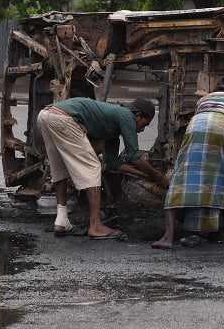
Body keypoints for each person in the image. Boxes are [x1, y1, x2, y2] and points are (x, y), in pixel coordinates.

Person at [37, 97, 162, 240]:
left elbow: (113, 163)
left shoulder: (112, 130)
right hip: (63, 118)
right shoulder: (126, 115)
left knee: (59, 167)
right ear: (138, 115)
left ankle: (61, 221)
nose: (142, 129)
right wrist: (158, 177)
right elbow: (134, 156)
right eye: (144, 124)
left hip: (46, 115)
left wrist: (143, 175)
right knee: (93, 167)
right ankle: (96, 226)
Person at [152, 78, 224, 250]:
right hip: (222, 128)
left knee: (181, 180)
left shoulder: (203, 100)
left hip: (194, 130)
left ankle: (167, 238)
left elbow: (202, 121)